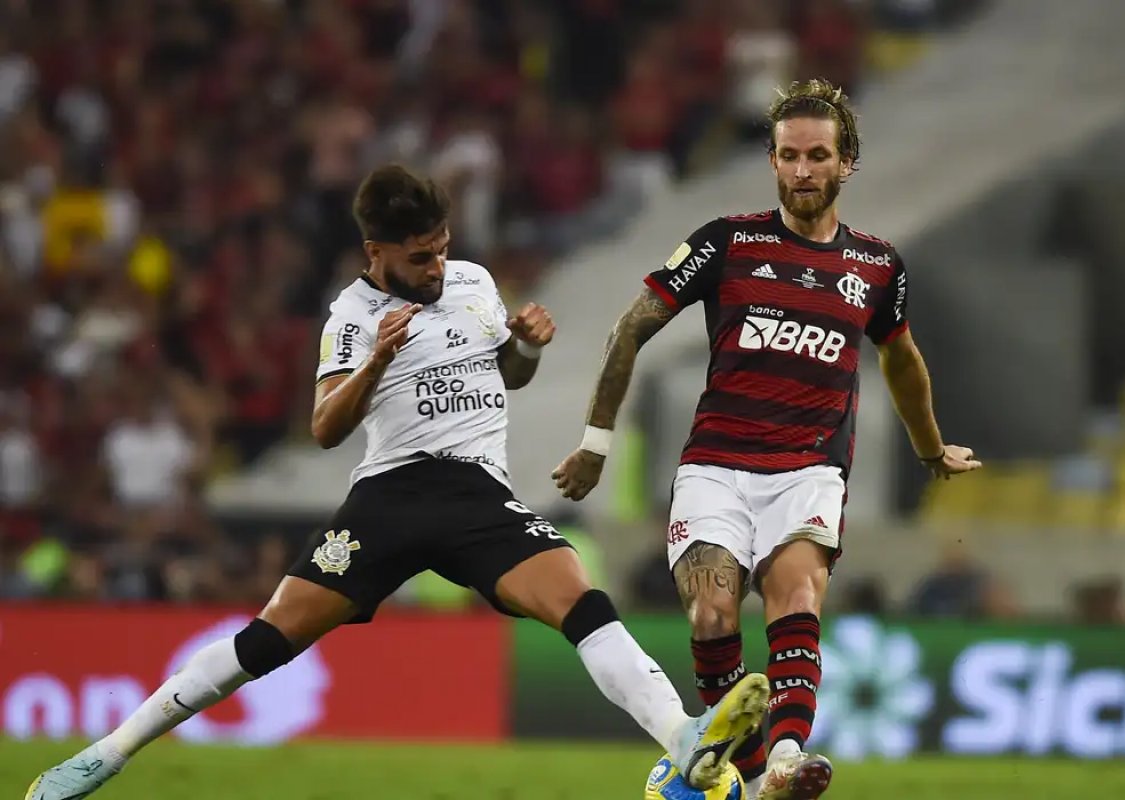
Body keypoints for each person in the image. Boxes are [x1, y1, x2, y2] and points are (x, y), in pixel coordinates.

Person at [26, 164, 768, 800]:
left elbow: (504, 377)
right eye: (419, 258)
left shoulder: (474, 281)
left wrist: (527, 348)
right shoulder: (351, 317)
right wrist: (378, 362)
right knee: (267, 640)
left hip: (478, 492)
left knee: (582, 599)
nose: (437, 267)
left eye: (441, 249)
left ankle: (685, 744)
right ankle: (107, 753)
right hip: (391, 495)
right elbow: (324, 427)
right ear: (375, 251)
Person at [552, 79, 981, 800]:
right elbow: (631, 327)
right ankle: (754, 781)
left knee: (796, 598)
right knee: (713, 610)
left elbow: (901, 362)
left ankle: (783, 761)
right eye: (790, 156)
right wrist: (596, 442)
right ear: (773, 161)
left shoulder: (876, 268)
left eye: (819, 156)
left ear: (847, 164)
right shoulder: (727, 242)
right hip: (716, 466)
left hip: (809, 468)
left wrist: (930, 447)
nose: (804, 170)